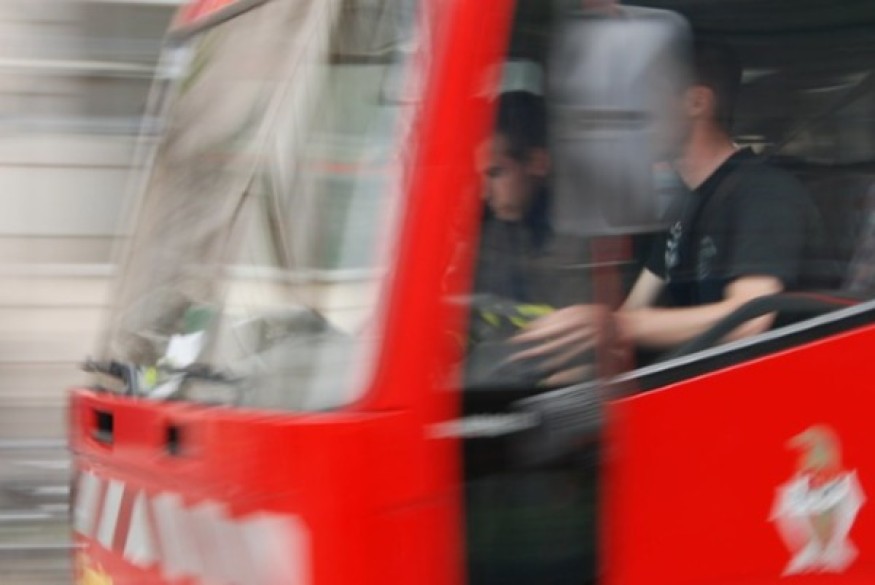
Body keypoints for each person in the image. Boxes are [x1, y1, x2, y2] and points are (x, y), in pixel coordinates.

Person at [513, 41, 825, 384]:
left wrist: (616, 326)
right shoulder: (684, 203)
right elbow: (633, 315)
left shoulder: (765, 193)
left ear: (696, 103)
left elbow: (749, 318)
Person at [473, 90, 552, 303]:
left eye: (495, 173)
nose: (484, 193)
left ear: (538, 163)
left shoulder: (577, 240)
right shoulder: (491, 234)